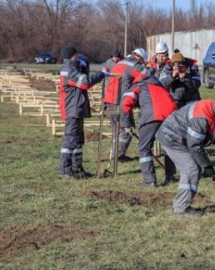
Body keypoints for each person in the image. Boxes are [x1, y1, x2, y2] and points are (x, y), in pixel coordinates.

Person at [156, 99, 215, 217]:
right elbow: (195, 146)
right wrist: (207, 165)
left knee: (193, 168)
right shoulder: (201, 118)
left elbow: (213, 135)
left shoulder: (213, 109)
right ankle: (181, 208)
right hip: (171, 137)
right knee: (191, 169)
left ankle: (181, 205)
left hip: (178, 136)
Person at [58, 47, 107, 179]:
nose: (78, 58)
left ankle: (77, 168)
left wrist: (85, 66)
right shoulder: (69, 71)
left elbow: (84, 77)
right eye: (76, 56)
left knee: (78, 140)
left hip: (77, 109)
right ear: (72, 56)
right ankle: (64, 170)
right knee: (70, 140)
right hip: (72, 109)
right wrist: (101, 74)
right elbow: (85, 82)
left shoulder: (73, 68)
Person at [121, 75, 178, 187]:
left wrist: (127, 124)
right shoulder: (159, 86)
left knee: (144, 148)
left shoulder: (138, 86)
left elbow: (125, 103)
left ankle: (149, 180)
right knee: (169, 146)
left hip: (153, 116)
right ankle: (170, 176)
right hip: (172, 116)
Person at [106, 47, 151, 161]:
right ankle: (118, 155)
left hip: (110, 99)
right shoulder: (134, 65)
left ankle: (114, 154)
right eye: (142, 62)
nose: (142, 64)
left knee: (115, 129)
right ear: (139, 58)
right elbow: (147, 76)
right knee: (127, 128)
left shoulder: (120, 62)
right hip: (120, 101)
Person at [101, 49, 124, 160]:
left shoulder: (124, 63)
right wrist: (104, 101)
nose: (115, 59)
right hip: (111, 97)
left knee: (123, 128)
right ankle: (114, 153)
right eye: (113, 57)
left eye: (117, 57)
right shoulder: (108, 63)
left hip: (120, 98)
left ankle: (119, 152)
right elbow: (104, 77)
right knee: (115, 128)